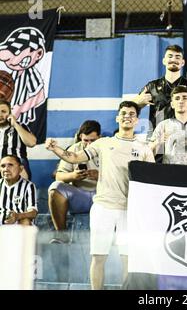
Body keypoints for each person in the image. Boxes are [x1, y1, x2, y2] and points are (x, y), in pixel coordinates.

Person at [45, 101, 155, 290]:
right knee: (98, 256)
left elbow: (151, 181)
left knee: (128, 258)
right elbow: (75, 158)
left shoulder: (144, 148)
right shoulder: (103, 143)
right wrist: (55, 149)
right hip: (103, 207)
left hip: (130, 210)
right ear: (117, 118)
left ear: (137, 120)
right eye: (123, 113)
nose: (127, 116)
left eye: (131, 114)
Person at [134, 44, 187, 139]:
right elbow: (131, 107)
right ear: (164, 61)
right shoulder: (152, 86)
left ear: (182, 62)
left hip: (183, 138)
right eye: (170, 56)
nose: (174, 60)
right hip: (157, 138)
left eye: (178, 57)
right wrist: (138, 103)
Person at [48, 120, 101, 244]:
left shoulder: (107, 148)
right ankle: (62, 235)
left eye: (92, 141)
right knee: (54, 188)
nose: (88, 144)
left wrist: (100, 176)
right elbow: (58, 176)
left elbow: (120, 177)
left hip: (101, 196)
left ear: (100, 137)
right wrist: (73, 176)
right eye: (85, 140)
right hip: (80, 194)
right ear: (80, 137)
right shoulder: (74, 149)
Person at [149, 85, 187, 165]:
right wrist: (157, 142)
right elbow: (147, 154)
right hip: (169, 173)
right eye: (177, 98)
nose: (181, 101)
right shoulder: (163, 125)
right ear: (172, 104)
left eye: (184, 98)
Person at [0, 100, 36, 180]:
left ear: (10, 114)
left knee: (16, 164)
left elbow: (32, 143)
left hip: (16, 161)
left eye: (3, 111)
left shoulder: (20, 126)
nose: (0, 115)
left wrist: (15, 124)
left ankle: (20, 189)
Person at [0, 155, 37, 225]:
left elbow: (33, 212)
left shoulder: (28, 186)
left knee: (25, 221)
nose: (6, 169)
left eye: (10, 165)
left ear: (21, 169)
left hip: (18, 225)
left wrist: (17, 216)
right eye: (3, 166)